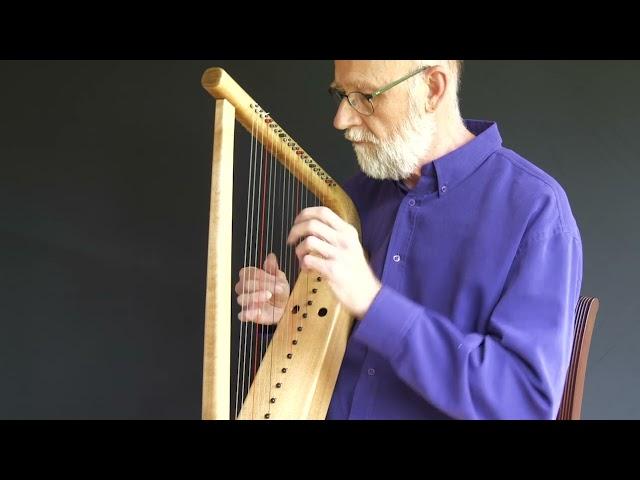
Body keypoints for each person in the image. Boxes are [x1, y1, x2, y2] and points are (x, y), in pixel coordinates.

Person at [234, 60, 583, 419]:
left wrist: (373, 301)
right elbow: (328, 362)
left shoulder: (535, 212)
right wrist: (288, 317)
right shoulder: (355, 198)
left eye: (366, 96)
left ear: (433, 89)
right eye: (342, 95)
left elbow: (524, 402)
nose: (341, 119)